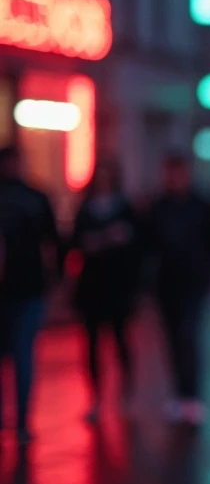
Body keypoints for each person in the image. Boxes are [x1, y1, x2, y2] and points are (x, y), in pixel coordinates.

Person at [144, 153, 210, 426]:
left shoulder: (200, 207)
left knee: (188, 337)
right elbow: (147, 246)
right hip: (167, 284)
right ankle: (180, 394)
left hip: (194, 282)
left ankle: (192, 396)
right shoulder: (158, 207)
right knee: (171, 341)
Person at [68, 160, 143, 421]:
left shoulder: (124, 208)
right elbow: (74, 241)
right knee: (92, 344)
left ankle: (126, 394)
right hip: (92, 286)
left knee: (120, 340)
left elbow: (139, 245)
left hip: (118, 285)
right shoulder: (86, 209)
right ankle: (97, 397)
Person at [0, 146, 62, 444]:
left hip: (24, 287)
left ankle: (17, 419)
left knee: (19, 354)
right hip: (27, 286)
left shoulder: (34, 197)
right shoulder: (36, 197)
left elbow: (53, 243)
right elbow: (54, 242)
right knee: (22, 354)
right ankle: (20, 421)